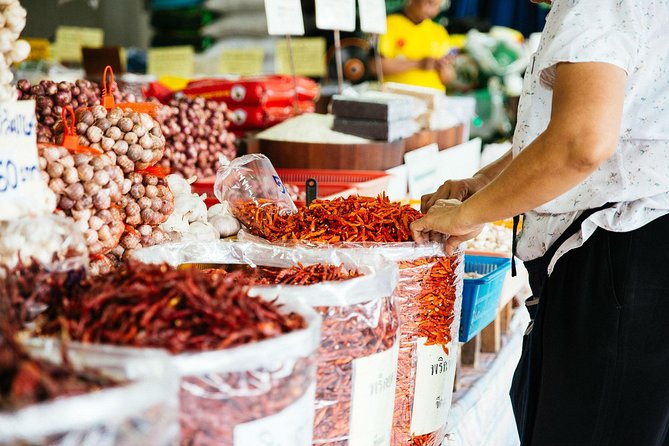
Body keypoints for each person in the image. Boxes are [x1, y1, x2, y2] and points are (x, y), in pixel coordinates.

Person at [411, 0, 669, 445]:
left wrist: (469, 215)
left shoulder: (594, 5)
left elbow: (580, 143)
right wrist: (481, 184)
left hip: (618, 259)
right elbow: (576, 128)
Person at [378, 0, 455, 91]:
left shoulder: (439, 31)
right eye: (429, 3)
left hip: (433, 97)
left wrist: (443, 67)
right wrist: (419, 63)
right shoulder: (388, 24)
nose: (432, 11)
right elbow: (375, 67)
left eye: (437, 6)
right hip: (398, 95)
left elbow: (448, 78)